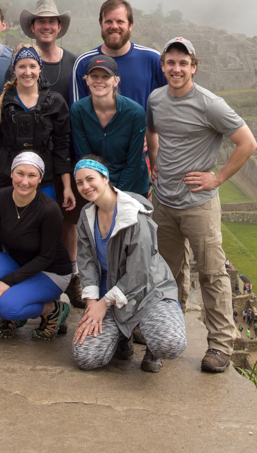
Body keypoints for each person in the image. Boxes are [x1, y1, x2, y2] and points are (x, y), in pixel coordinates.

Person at [146, 36, 257, 374]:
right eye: (171, 62)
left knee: (211, 272)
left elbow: (247, 142)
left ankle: (221, 345)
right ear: (163, 66)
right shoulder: (155, 99)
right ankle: (169, 331)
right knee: (168, 272)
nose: (176, 69)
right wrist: (155, 169)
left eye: (183, 63)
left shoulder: (210, 103)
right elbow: (152, 134)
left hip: (199, 204)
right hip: (164, 201)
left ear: (194, 67)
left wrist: (218, 178)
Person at [0, 44, 80, 302]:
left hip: (44, 180)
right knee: (9, 234)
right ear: (14, 69)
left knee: (45, 235)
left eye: (32, 66)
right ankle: (11, 288)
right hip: (7, 178)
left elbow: (62, 146)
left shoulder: (54, 102)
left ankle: (46, 295)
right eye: (22, 66)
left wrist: (67, 185)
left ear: (40, 68)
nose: (27, 71)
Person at [71, 157, 186, 373]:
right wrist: (92, 304)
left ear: (105, 178)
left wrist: (102, 305)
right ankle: (122, 337)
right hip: (111, 298)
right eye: (79, 183)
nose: (85, 186)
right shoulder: (87, 217)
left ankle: (154, 336)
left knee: (169, 344)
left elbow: (139, 274)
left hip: (147, 294)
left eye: (90, 179)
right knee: (85, 356)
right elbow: (86, 263)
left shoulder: (134, 216)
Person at [0, 152, 73, 341]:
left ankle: (53, 309)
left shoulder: (49, 210)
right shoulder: (0, 198)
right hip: (19, 263)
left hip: (51, 272)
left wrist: (7, 281)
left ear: (40, 179)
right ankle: (17, 310)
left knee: (5, 307)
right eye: (20, 173)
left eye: (32, 175)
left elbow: (46, 257)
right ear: (11, 174)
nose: (24, 181)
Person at [70, 54, 149, 197]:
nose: (99, 81)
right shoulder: (78, 110)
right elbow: (87, 156)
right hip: (98, 186)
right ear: (87, 80)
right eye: (94, 76)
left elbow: (134, 161)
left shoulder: (135, 112)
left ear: (116, 81)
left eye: (106, 76)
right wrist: (103, 190)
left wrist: (116, 195)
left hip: (133, 187)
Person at [72, 0, 166, 111]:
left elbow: (172, 101)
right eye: (108, 21)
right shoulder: (84, 63)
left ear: (130, 25)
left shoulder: (153, 59)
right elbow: (77, 114)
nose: (114, 26)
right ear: (101, 24)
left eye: (120, 21)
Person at [19, 0, 76, 107]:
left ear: (59, 27)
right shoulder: (20, 65)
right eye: (41, 21)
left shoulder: (74, 63)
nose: (46, 26)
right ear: (32, 27)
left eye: (51, 22)